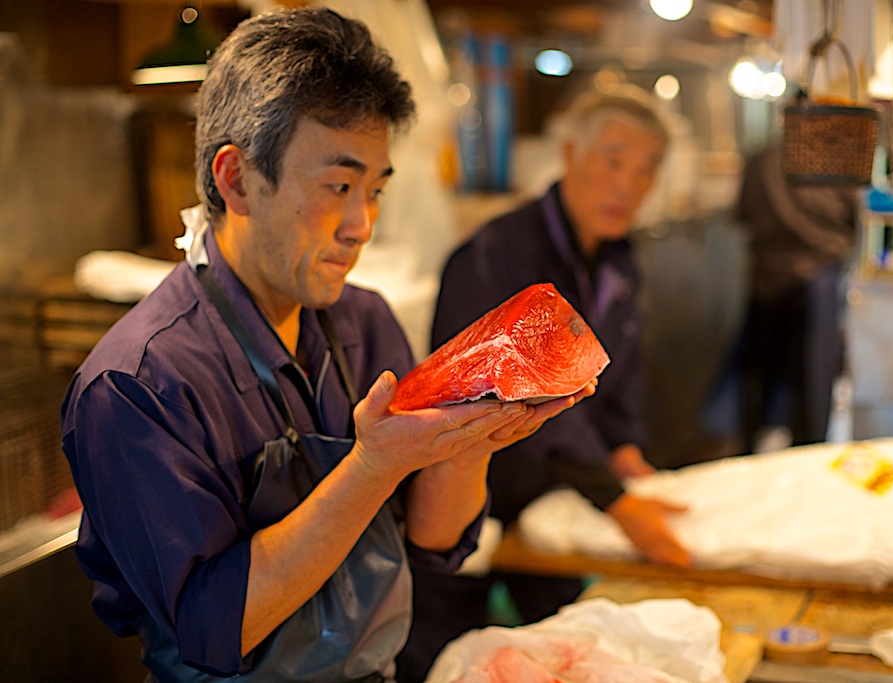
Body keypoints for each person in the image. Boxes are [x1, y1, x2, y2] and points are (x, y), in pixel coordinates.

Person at [60, 8, 591, 681]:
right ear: (237, 179)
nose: (361, 225)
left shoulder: (365, 322)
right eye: (338, 187)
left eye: (374, 190)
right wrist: (371, 466)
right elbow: (214, 624)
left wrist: (468, 446)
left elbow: (430, 543)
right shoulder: (137, 383)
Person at [396, 87, 692, 683]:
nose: (628, 185)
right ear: (571, 153)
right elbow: (532, 395)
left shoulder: (618, 260)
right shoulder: (498, 255)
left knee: (558, 654)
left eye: (646, 170)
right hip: (465, 497)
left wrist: (624, 450)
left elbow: (620, 373)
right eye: (613, 161)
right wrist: (616, 500)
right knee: (446, 660)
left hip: (551, 493)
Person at [707, 140, 859, 453]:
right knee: (811, 395)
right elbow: (855, 222)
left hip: (765, 284)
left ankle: (751, 454)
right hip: (815, 286)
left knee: (758, 387)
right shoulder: (836, 160)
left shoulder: (761, 159)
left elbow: (742, 215)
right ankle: (804, 460)